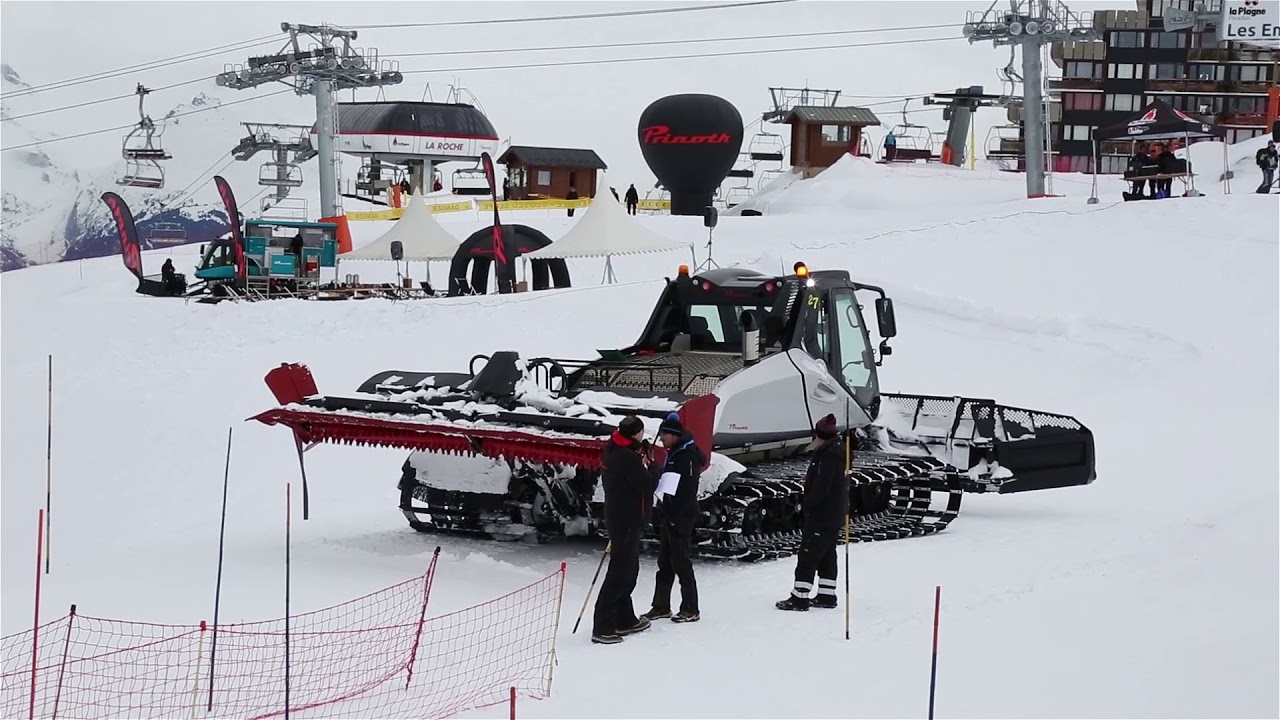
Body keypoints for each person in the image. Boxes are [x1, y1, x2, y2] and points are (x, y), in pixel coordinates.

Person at [776, 414, 850, 612]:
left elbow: (822, 487)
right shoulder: (837, 450)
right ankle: (827, 594)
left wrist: (807, 503)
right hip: (834, 513)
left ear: (818, 434)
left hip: (822, 514)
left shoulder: (828, 455)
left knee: (808, 555)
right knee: (826, 554)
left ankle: (799, 597)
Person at [592, 415, 655, 644]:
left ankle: (624, 618)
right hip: (626, 520)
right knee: (620, 573)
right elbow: (647, 484)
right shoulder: (625, 457)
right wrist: (653, 466)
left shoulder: (617, 448)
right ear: (635, 433)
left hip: (625, 518)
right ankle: (603, 626)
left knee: (629, 571)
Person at [643, 412, 704, 624]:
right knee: (665, 562)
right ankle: (660, 606)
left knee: (680, 561)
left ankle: (690, 608)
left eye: (664, 435)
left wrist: (676, 515)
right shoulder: (675, 452)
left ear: (675, 435)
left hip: (681, 515)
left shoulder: (686, 456)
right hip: (669, 512)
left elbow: (687, 489)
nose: (661, 439)